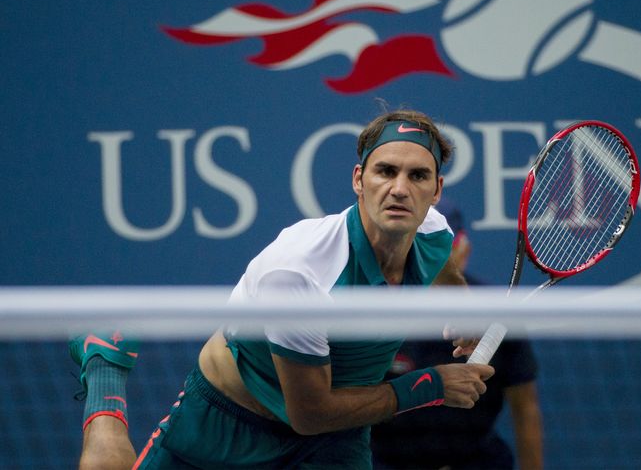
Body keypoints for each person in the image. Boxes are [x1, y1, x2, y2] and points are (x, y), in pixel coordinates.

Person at [70, 109, 495, 469]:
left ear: (436, 191)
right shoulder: (300, 273)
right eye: (386, 171)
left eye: (418, 176)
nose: (400, 188)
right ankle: (105, 374)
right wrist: (431, 387)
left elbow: (444, 273)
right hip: (230, 424)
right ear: (359, 180)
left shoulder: (432, 231)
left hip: (336, 436)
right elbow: (309, 412)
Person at [371, 199, 544, 470]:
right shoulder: (370, 309)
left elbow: (525, 406)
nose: (433, 258)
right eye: (422, 248)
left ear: (465, 250)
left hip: (476, 459)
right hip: (389, 461)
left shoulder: (499, 313)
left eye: (444, 248)